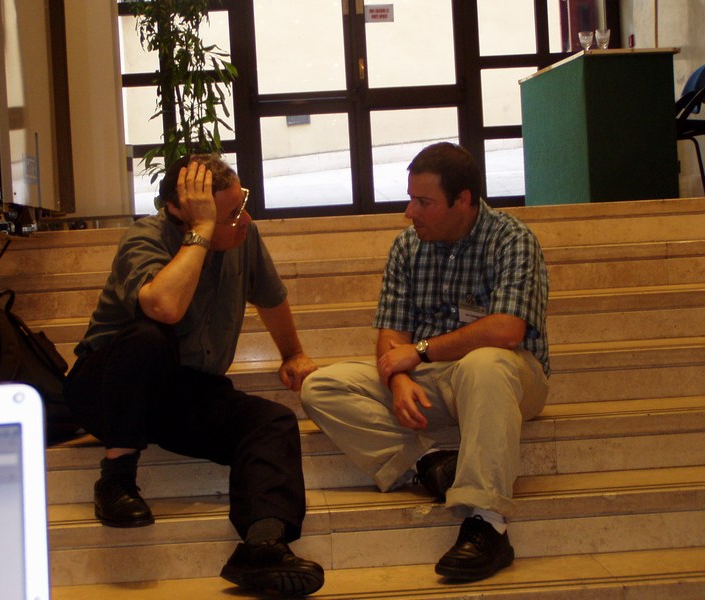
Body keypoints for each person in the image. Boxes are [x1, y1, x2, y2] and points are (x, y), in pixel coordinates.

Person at [64, 154, 324, 596]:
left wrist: (293, 353)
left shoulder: (243, 236)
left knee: (272, 421)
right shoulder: (145, 238)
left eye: (242, 204)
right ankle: (116, 479)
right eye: (230, 214)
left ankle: (262, 545)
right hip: (108, 387)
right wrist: (201, 232)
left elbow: (270, 295)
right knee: (150, 336)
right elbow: (164, 306)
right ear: (182, 213)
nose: (244, 219)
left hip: (181, 392)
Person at [301, 142, 550, 582]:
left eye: (423, 202)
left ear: (463, 200)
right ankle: (430, 465)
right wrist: (398, 380)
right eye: (410, 199)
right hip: (431, 379)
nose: (409, 212)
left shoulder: (512, 239)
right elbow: (391, 333)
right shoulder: (406, 247)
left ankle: (487, 524)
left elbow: (506, 330)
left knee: (484, 364)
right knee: (321, 386)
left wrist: (418, 353)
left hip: (508, 376)